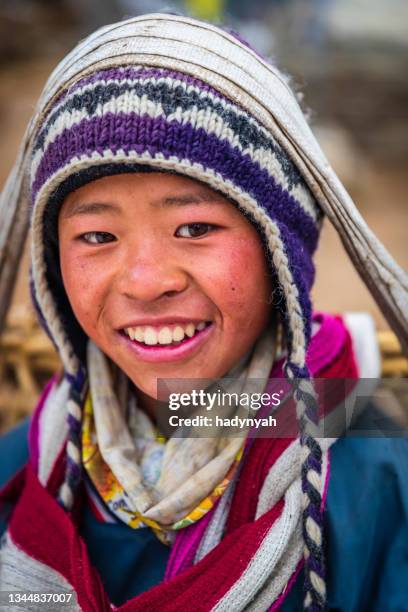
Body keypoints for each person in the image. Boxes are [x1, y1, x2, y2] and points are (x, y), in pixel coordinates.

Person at [0, 13, 407, 612]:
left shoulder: (372, 480)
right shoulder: (24, 469)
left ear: (279, 253)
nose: (146, 281)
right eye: (96, 236)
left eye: (194, 227)